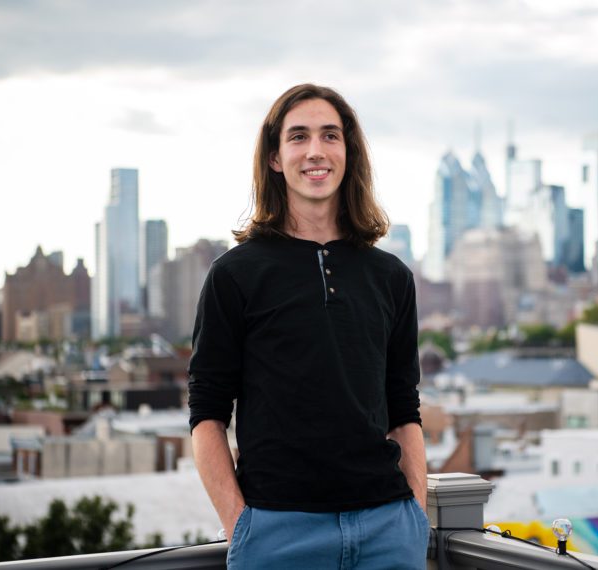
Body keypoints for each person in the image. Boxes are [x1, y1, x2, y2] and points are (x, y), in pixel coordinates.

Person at [188, 84, 428, 569]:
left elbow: (405, 409)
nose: (315, 151)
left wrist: (415, 518)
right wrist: (242, 526)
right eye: (298, 137)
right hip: (277, 533)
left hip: (388, 530)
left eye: (330, 136)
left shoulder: (392, 277)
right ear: (275, 158)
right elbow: (207, 412)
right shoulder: (234, 274)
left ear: (348, 152)